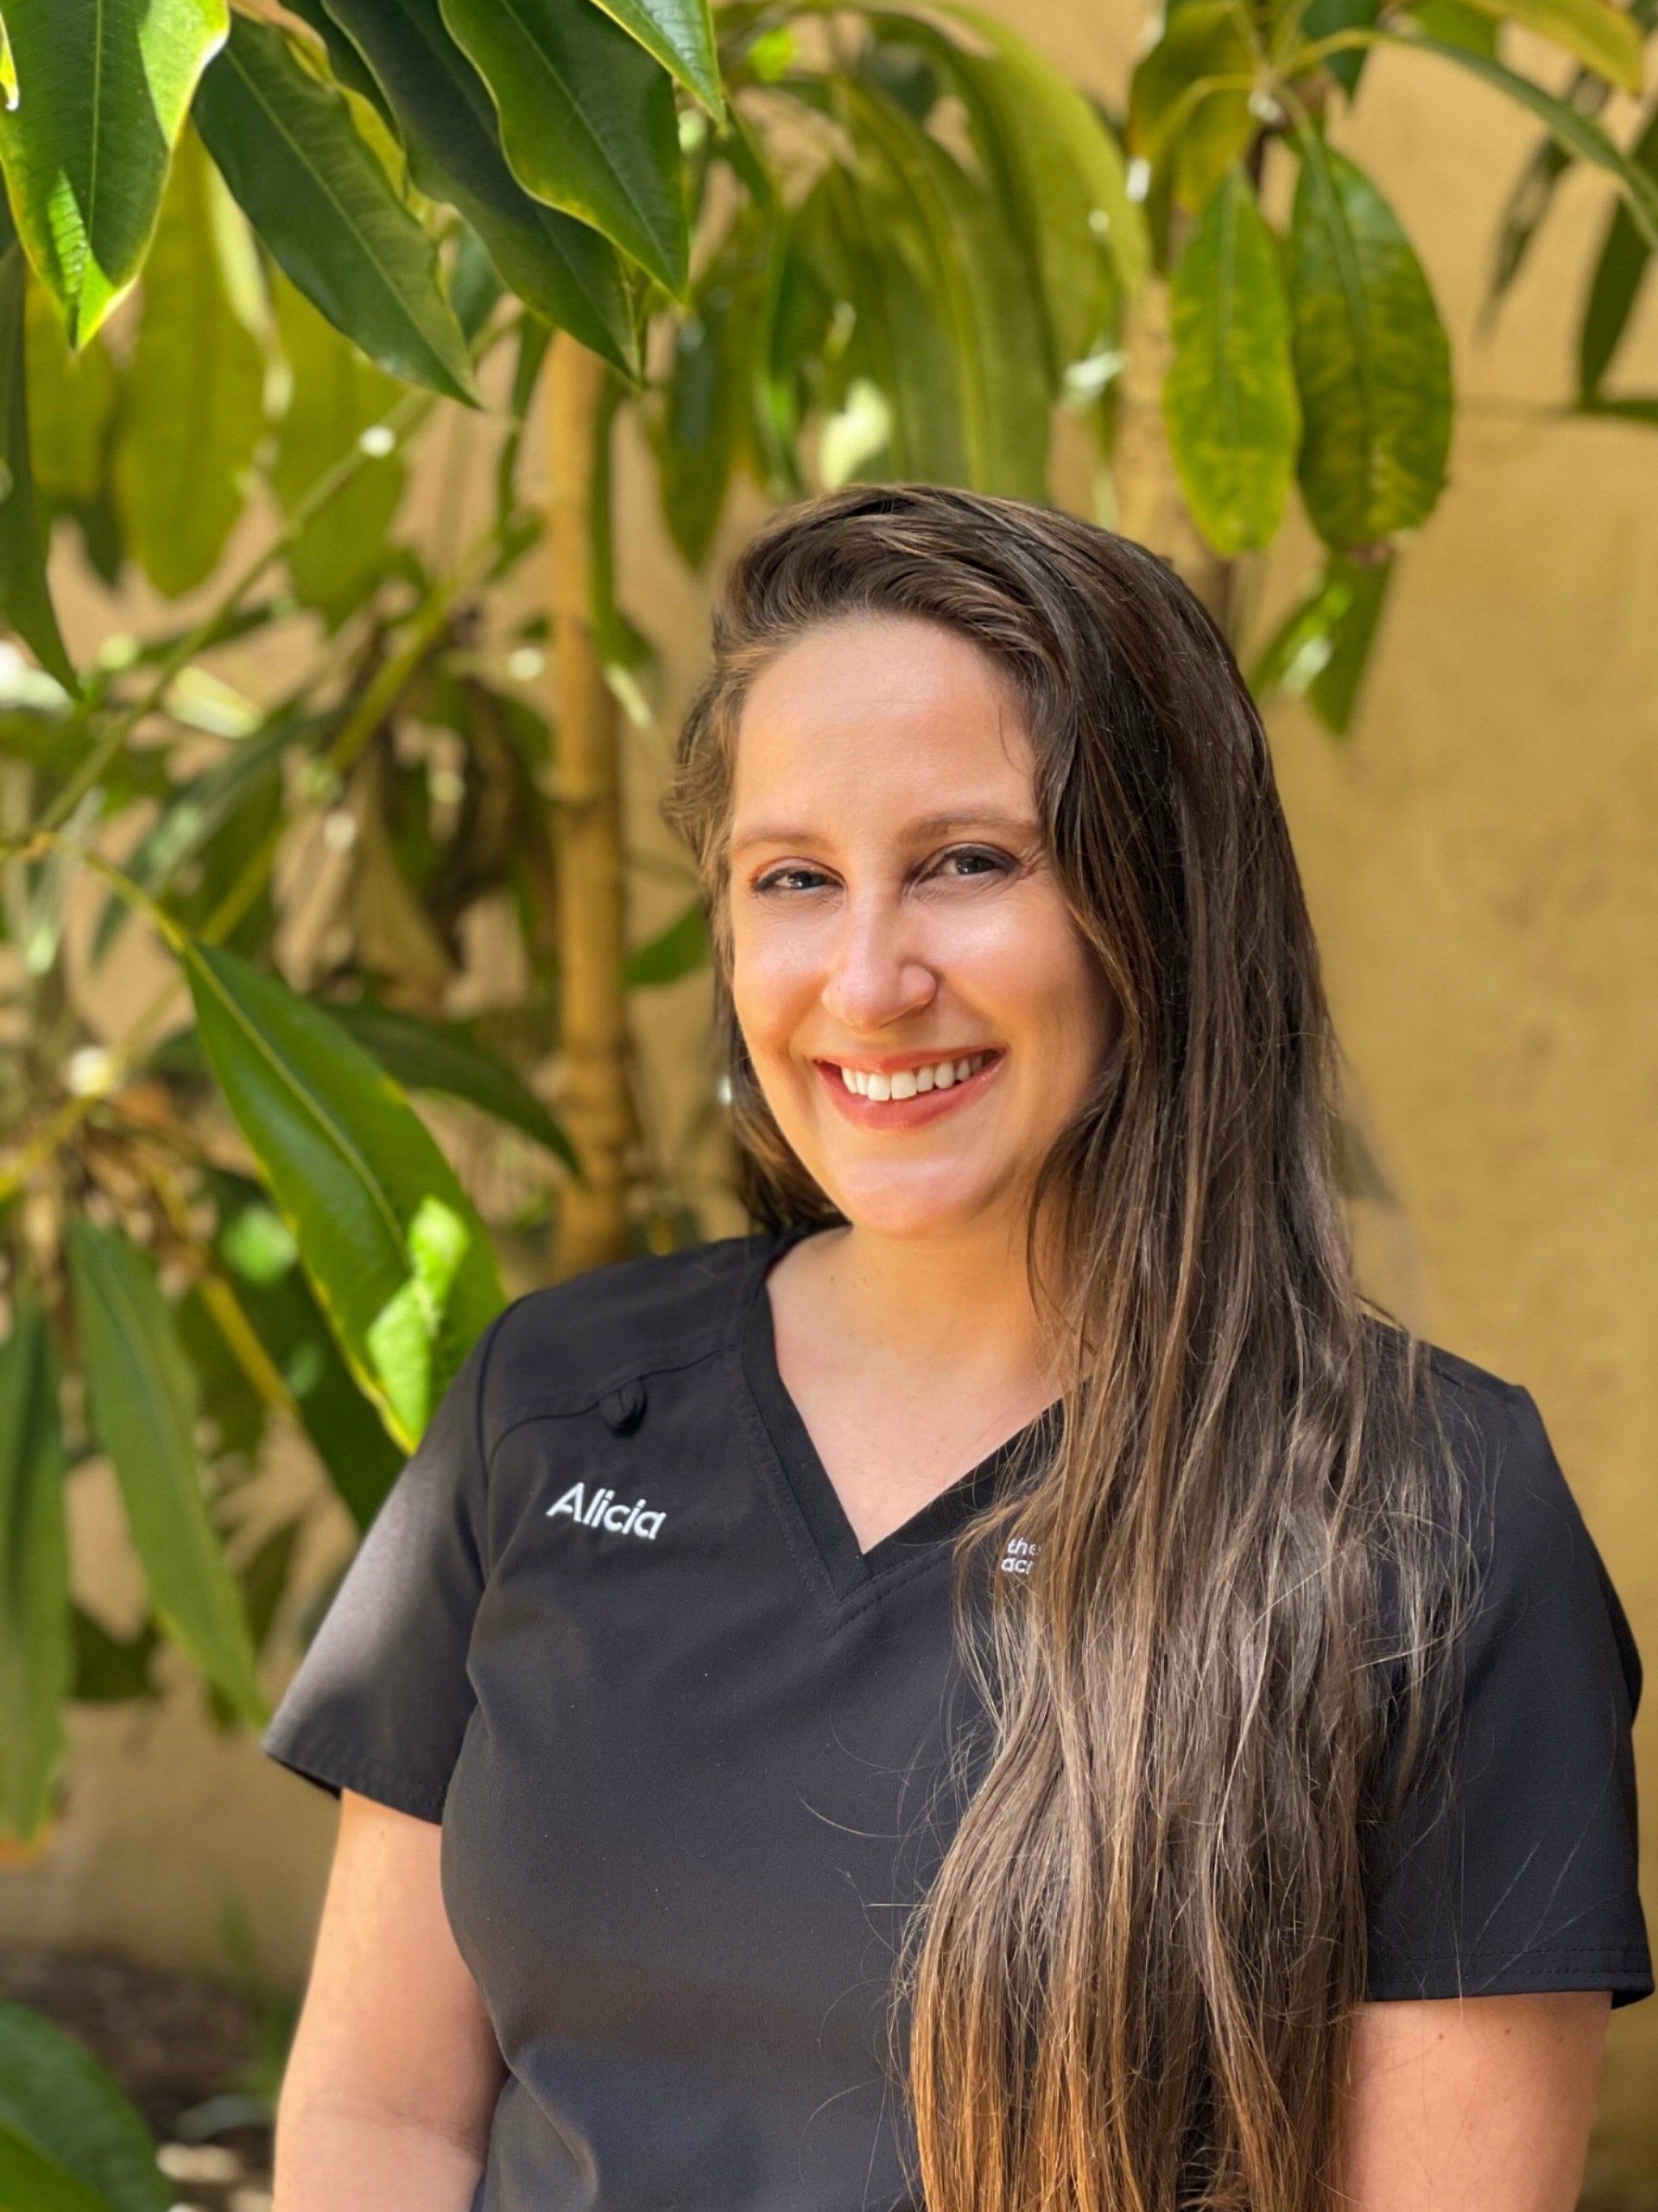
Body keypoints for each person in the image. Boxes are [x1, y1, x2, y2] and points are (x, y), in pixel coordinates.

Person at [258, 483, 1651, 2212]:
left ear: (1163, 902)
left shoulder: (1429, 1514)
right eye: (792, 879)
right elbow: (379, 2118)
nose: (865, 978)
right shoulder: (554, 1404)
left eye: (967, 863)